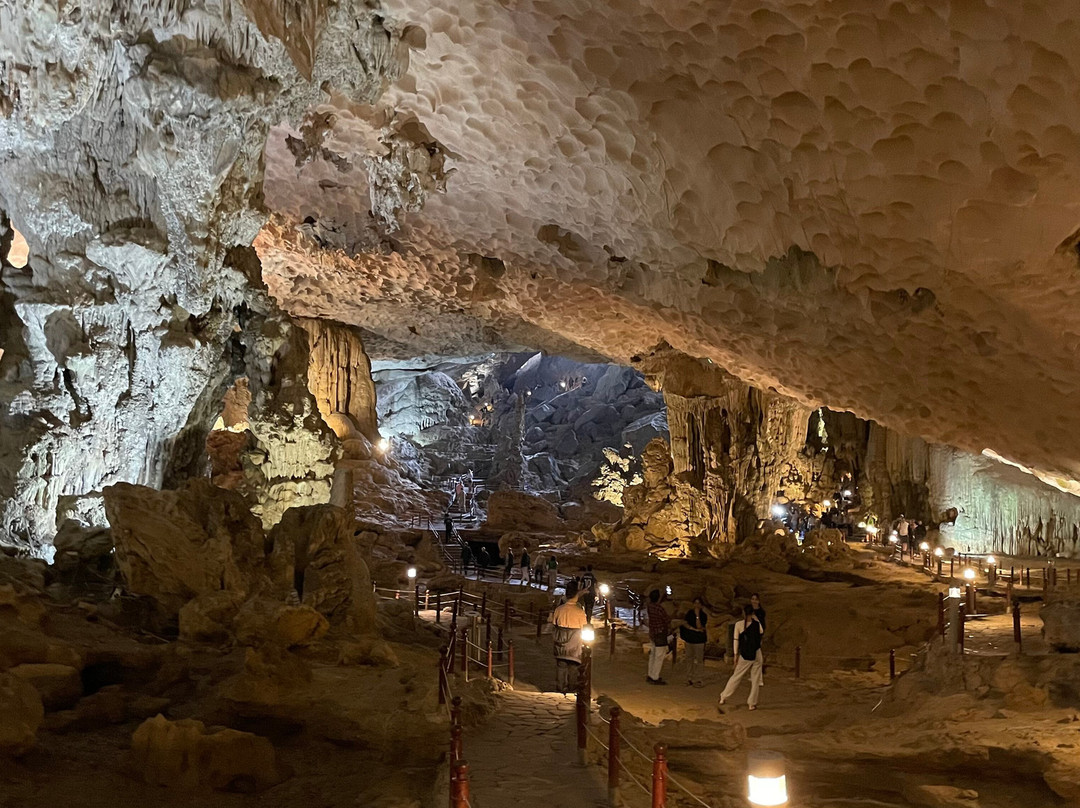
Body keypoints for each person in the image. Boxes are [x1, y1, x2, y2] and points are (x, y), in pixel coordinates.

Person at [718, 604, 764, 711]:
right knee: (755, 679)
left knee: (737, 676)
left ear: (743, 613)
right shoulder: (756, 624)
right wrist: (756, 618)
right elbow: (761, 631)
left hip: (746, 654)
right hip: (757, 653)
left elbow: (736, 640)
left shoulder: (739, 624)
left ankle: (724, 696)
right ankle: (752, 703)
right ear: (752, 613)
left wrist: (735, 654)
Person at [550, 581, 587, 693]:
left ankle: (560, 688)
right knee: (573, 668)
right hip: (574, 645)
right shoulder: (580, 612)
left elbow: (554, 624)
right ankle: (571, 689)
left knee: (561, 667)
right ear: (576, 595)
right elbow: (584, 628)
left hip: (560, 644)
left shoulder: (559, 610)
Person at [680, 597, 708, 687]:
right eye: (695, 603)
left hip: (699, 641)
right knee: (689, 659)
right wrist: (693, 629)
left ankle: (699, 679)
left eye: (698, 603)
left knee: (699, 660)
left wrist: (697, 616)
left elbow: (700, 626)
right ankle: (689, 678)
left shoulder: (703, 615)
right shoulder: (689, 613)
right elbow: (686, 624)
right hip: (689, 639)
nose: (697, 605)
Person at [646, 589, 672, 685]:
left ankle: (650, 674)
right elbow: (666, 619)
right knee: (659, 656)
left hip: (653, 632)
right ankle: (655, 677)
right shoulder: (659, 608)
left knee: (653, 655)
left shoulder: (650, 607)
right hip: (660, 633)